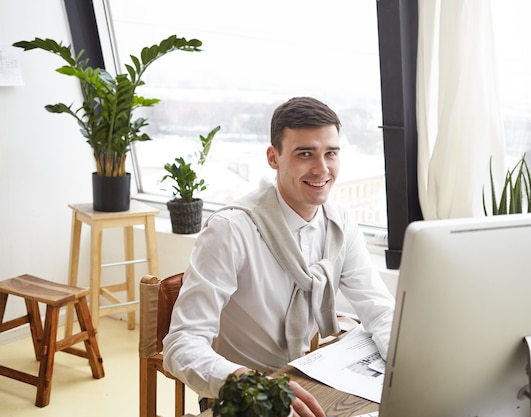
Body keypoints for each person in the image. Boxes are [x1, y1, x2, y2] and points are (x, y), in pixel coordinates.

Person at [162, 96, 395, 417]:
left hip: (310, 380)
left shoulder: (341, 223)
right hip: (247, 396)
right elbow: (181, 344)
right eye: (305, 154)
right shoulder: (230, 230)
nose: (322, 168)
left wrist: (405, 363)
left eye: (330, 153)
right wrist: (248, 383)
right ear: (274, 157)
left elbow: (380, 312)